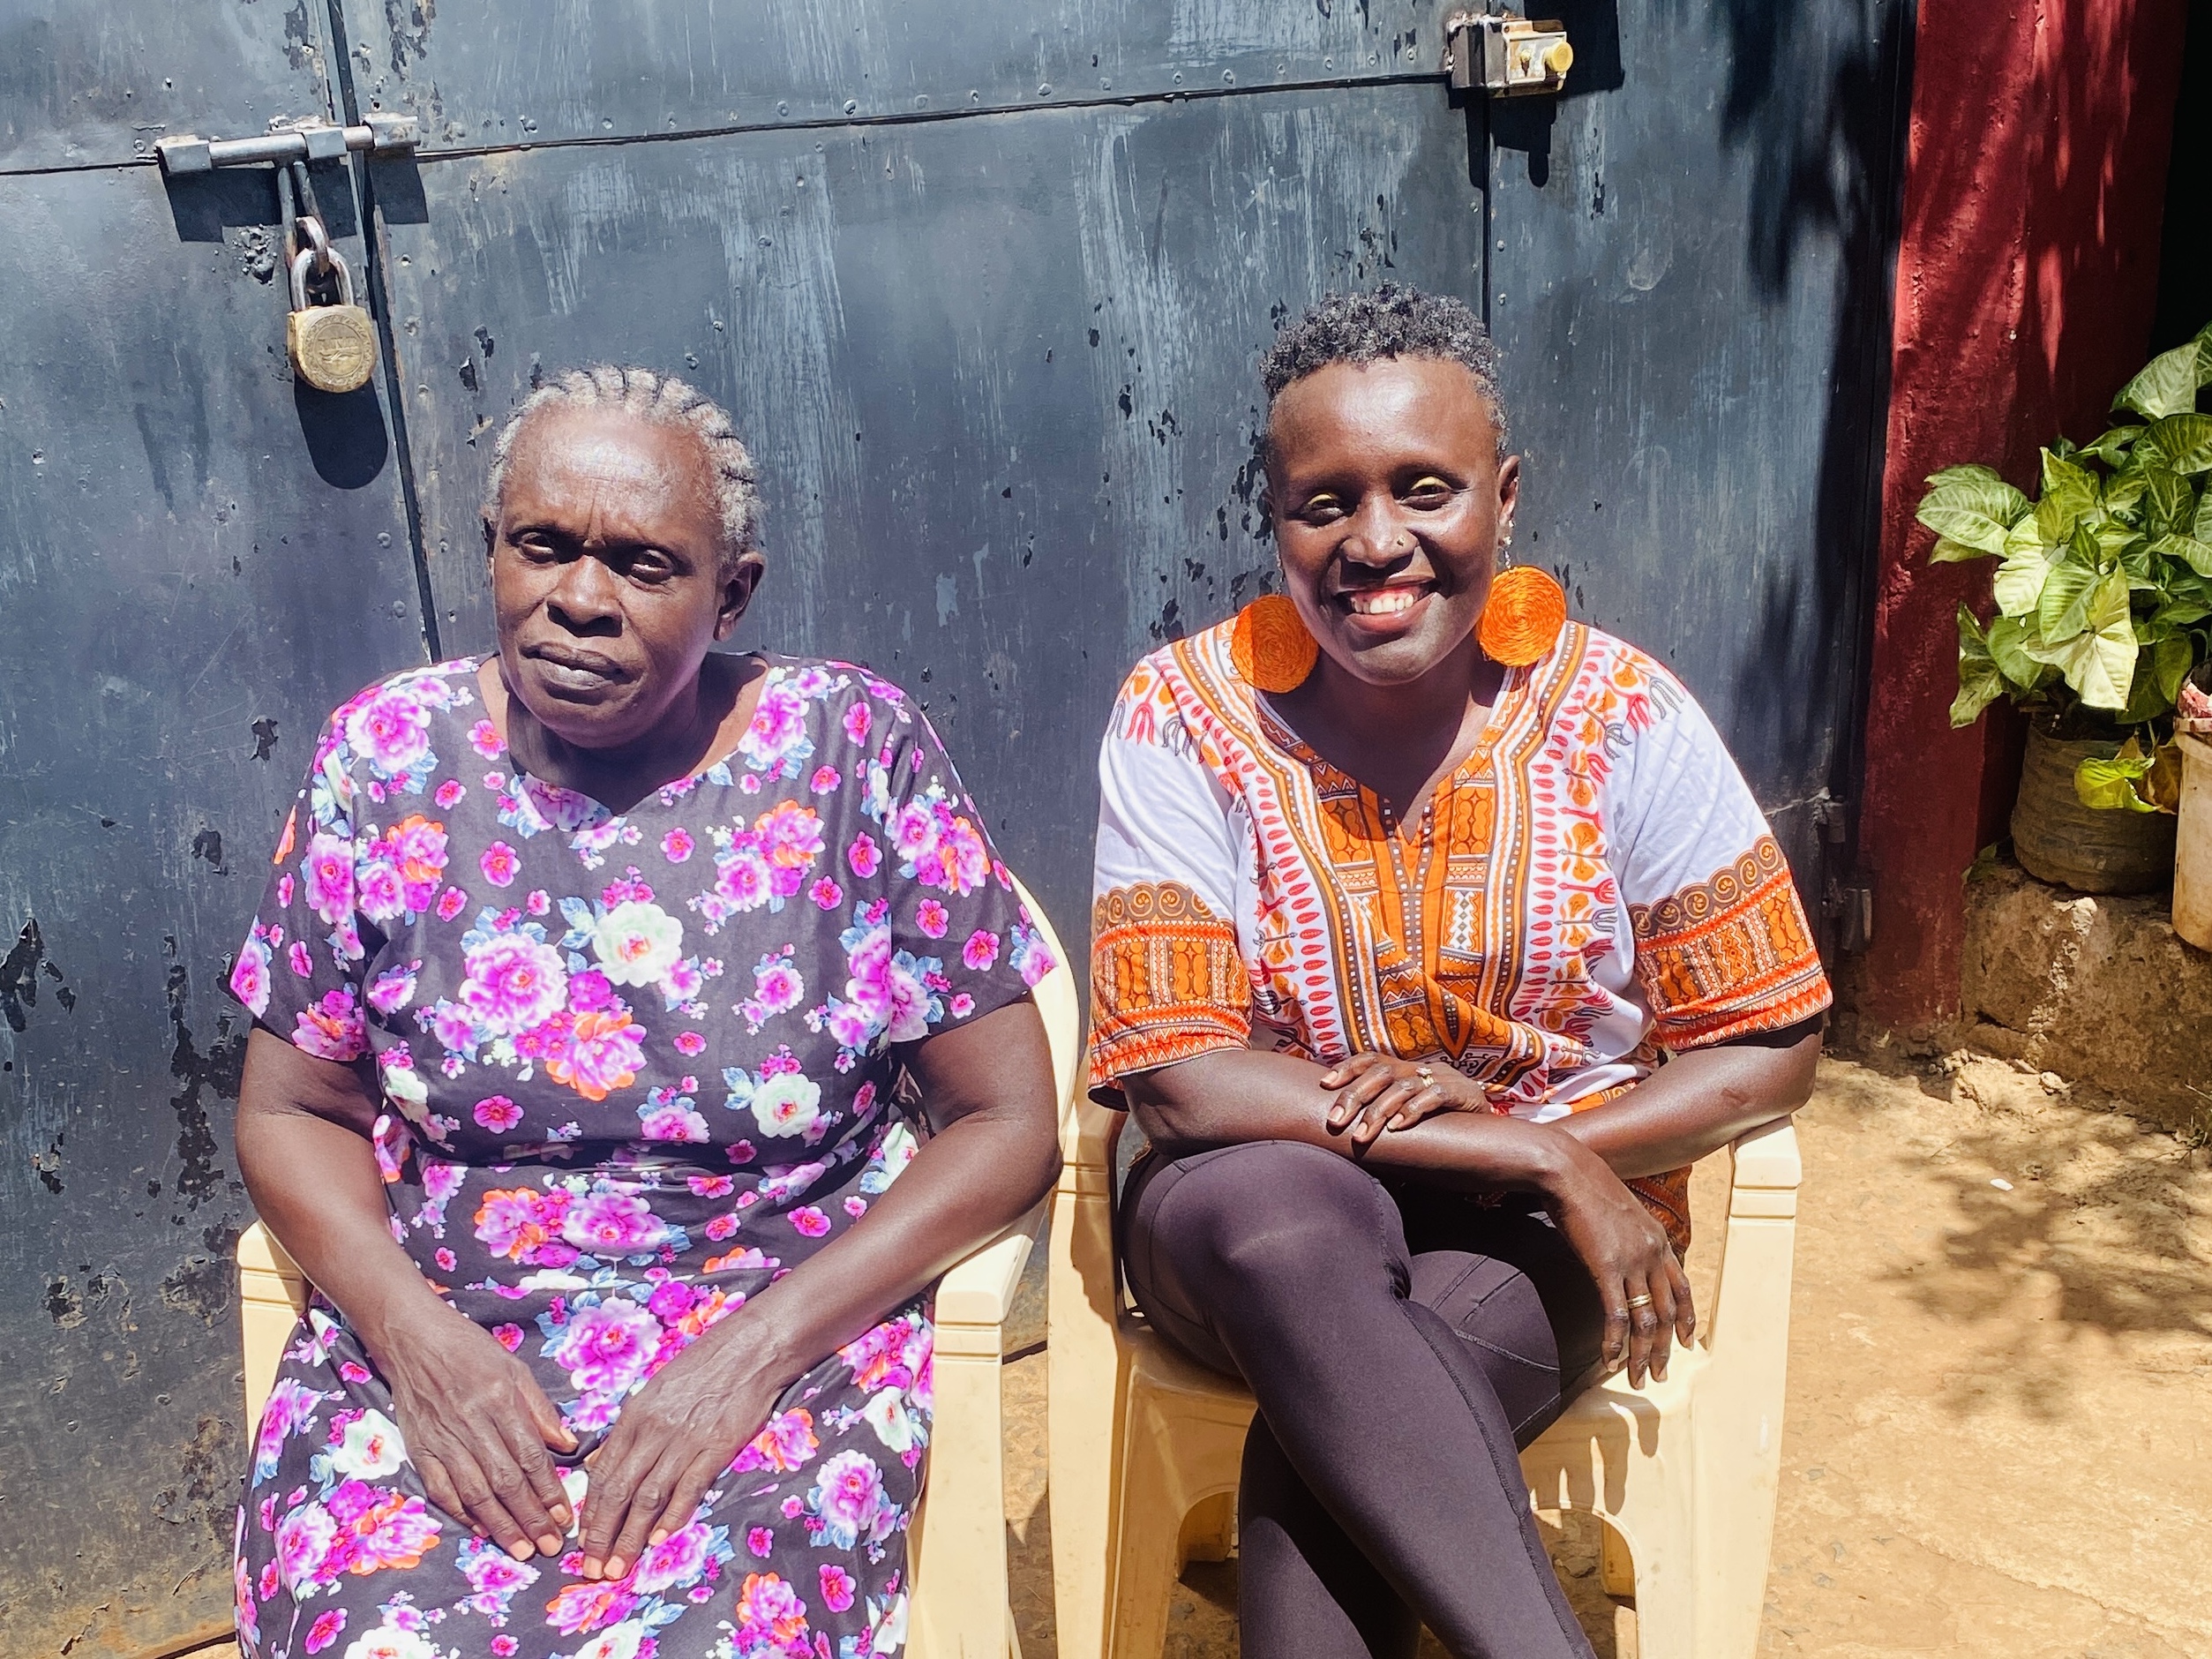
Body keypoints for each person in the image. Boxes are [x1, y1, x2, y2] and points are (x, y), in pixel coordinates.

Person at [227, 365, 1062, 1659]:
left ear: (732, 592)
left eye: (644, 564)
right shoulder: (384, 759)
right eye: (542, 547)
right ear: (493, 553)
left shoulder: (852, 755)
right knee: (373, 1629)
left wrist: (757, 1354)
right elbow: (292, 1104)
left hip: (783, 1323)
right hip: (450, 1325)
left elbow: (1006, 1120)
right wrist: (412, 1338)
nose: (579, 599)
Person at [1087, 287, 1829, 1659]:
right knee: (1287, 1227)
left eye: (1425, 491)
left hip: (1528, 1248)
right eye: (1325, 503)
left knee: (1348, 1435)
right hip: (1247, 1202)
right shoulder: (1184, 717)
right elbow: (1182, 1080)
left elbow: (1774, 1041)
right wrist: (1530, 1150)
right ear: (1275, 515)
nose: (1377, 545)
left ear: (1504, 493)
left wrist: (1553, 1163)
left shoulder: (1618, 718)